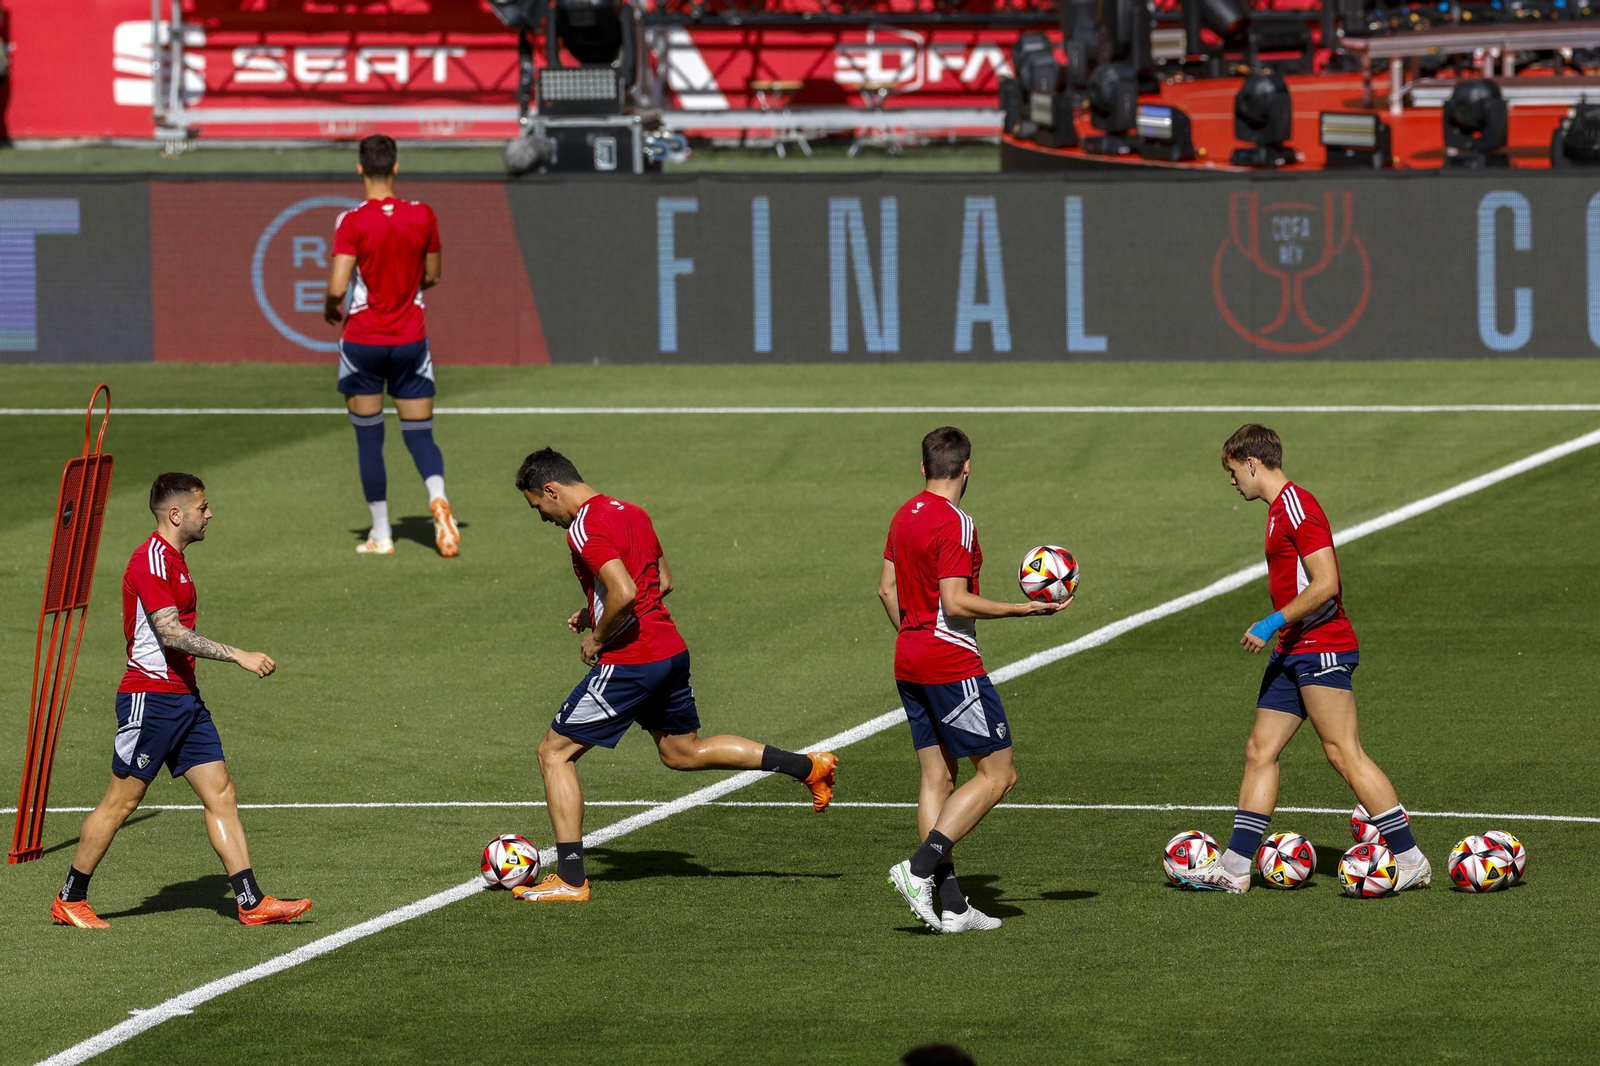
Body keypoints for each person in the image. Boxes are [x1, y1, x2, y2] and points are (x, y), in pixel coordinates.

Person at [513, 447, 838, 902]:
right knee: (683, 753)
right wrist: (596, 611)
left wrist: (599, 637)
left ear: (551, 490)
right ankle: (808, 766)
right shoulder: (632, 512)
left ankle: (570, 878)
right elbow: (660, 582)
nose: (543, 517)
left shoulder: (584, 528)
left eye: (538, 506)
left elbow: (624, 590)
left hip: (632, 659)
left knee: (554, 753)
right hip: (669, 650)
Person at [1173, 424, 1431, 893]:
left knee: (1342, 753)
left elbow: (1326, 582)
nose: (1231, 481)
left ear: (1252, 463)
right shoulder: (1275, 512)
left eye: (1233, 471)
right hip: (1293, 648)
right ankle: (1233, 870)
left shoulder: (1297, 506)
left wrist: (1271, 622)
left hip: (1321, 645)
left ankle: (1411, 860)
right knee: (1260, 751)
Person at [51, 473, 311, 928]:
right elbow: (169, 632)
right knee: (122, 801)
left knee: (222, 793)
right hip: (151, 699)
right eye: (202, 507)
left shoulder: (176, 559)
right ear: (176, 514)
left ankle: (250, 901)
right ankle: (70, 897)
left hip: (183, 698)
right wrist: (238, 656)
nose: (209, 514)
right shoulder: (150, 561)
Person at [879, 427, 1071, 933]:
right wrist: (1023, 609)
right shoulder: (957, 523)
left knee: (937, 778)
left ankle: (952, 906)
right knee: (998, 774)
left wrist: (915, 636)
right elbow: (956, 601)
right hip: (950, 664)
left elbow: (885, 589)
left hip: (909, 655)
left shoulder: (904, 514)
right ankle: (917, 869)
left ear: (923, 468)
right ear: (967, 468)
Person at [323, 132, 458, 558]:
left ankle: (382, 533)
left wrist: (331, 306)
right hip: (410, 340)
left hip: (363, 341)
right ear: (396, 167)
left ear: (360, 168)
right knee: (420, 435)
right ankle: (438, 497)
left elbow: (338, 284)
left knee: (369, 440)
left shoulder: (352, 220)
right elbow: (433, 276)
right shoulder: (422, 214)